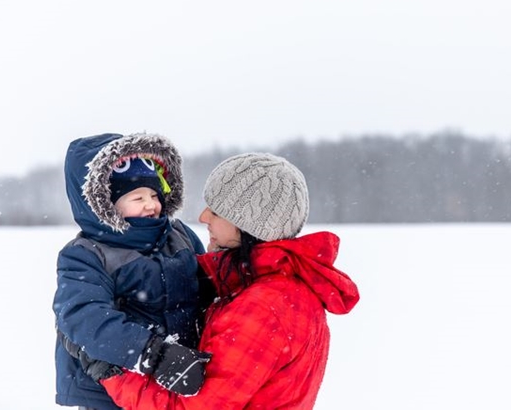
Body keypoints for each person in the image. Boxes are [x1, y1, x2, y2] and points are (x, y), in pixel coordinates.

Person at [87, 152, 360, 409]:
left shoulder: (266, 308)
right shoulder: (268, 285)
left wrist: (111, 371)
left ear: (249, 226)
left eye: (216, 212)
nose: (203, 217)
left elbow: (191, 408)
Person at [53, 132, 213, 410]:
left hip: (181, 377)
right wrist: (153, 353)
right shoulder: (87, 254)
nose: (151, 204)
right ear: (103, 204)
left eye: (154, 193)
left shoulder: (179, 236)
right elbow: (84, 316)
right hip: (112, 388)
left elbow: (211, 282)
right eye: (137, 197)